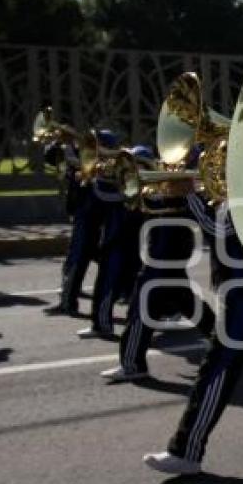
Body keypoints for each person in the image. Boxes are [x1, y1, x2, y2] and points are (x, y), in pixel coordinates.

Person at [142, 189, 243, 473]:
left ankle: (187, 450)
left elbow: (220, 229)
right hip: (242, 287)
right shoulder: (239, 188)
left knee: (218, 367)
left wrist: (192, 199)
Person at [100, 149, 215, 381]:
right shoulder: (163, 185)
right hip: (161, 254)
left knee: (141, 306)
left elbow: (203, 218)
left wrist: (184, 191)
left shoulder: (189, 186)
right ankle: (228, 344)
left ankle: (133, 364)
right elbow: (143, 206)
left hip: (168, 256)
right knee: (187, 302)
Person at [76, 130, 136, 340]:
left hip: (120, 235)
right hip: (116, 234)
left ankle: (102, 324)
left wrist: (96, 178)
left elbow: (111, 197)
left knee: (109, 279)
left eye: (100, 148)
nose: (97, 155)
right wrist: (92, 176)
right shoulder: (105, 173)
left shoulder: (124, 166)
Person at [42, 137, 104, 317]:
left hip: (89, 214)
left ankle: (68, 303)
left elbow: (90, 173)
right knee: (90, 255)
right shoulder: (71, 158)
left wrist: (70, 155)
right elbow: (50, 157)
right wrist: (60, 146)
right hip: (82, 212)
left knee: (76, 259)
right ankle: (127, 286)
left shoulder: (90, 158)